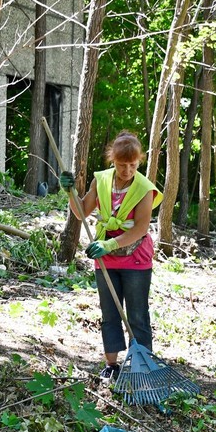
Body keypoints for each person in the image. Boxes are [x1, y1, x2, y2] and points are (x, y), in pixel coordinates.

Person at [63, 131, 163, 384]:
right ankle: (111, 365)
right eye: (122, 164)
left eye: (133, 164)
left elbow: (140, 228)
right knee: (110, 313)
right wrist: (70, 192)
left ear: (139, 161)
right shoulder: (102, 181)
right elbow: (81, 212)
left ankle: (141, 368)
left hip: (136, 258)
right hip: (105, 258)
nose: (127, 170)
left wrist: (109, 243)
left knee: (137, 314)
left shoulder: (144, 188)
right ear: (113, 161)